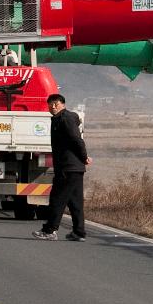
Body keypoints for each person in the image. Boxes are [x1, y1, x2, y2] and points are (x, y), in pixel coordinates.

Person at [33, 93, 90, 241]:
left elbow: (77, 140)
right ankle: (79, 232)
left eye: (55, 104)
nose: (52, 107)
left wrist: (84, 157)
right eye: (50, 104)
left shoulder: (66, 118)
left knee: (57, 199)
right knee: (75, 202)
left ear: (62, 104)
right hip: (72, 168)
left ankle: (50, 230)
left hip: (68, 167)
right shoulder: (60, 119)